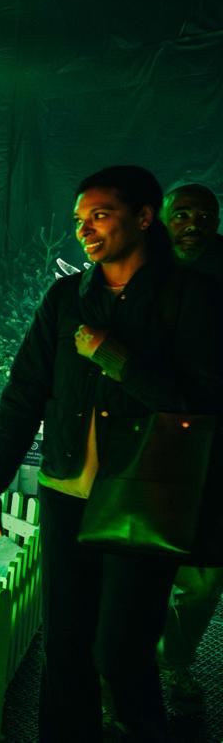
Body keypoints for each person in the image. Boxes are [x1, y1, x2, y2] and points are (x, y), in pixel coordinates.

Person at [0, 165, 223, 742]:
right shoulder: (66, 299)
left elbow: (205, 402)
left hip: (144, 495)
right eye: (79, 220)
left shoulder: (193, 299)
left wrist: (117, 359)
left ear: (144, 217)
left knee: (121, 654)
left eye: (100, 215)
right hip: (66, 494)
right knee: (65, 650)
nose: (84, 230)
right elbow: (25, 393)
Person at [157, 181, 223, 712]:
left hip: (213, 444)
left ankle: (176, 662)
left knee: (205, 575)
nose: (193, 225)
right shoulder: (139, 272)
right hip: (149, 438)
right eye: (182, 214)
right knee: (137, 564)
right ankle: (129, 671)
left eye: (204, 216)